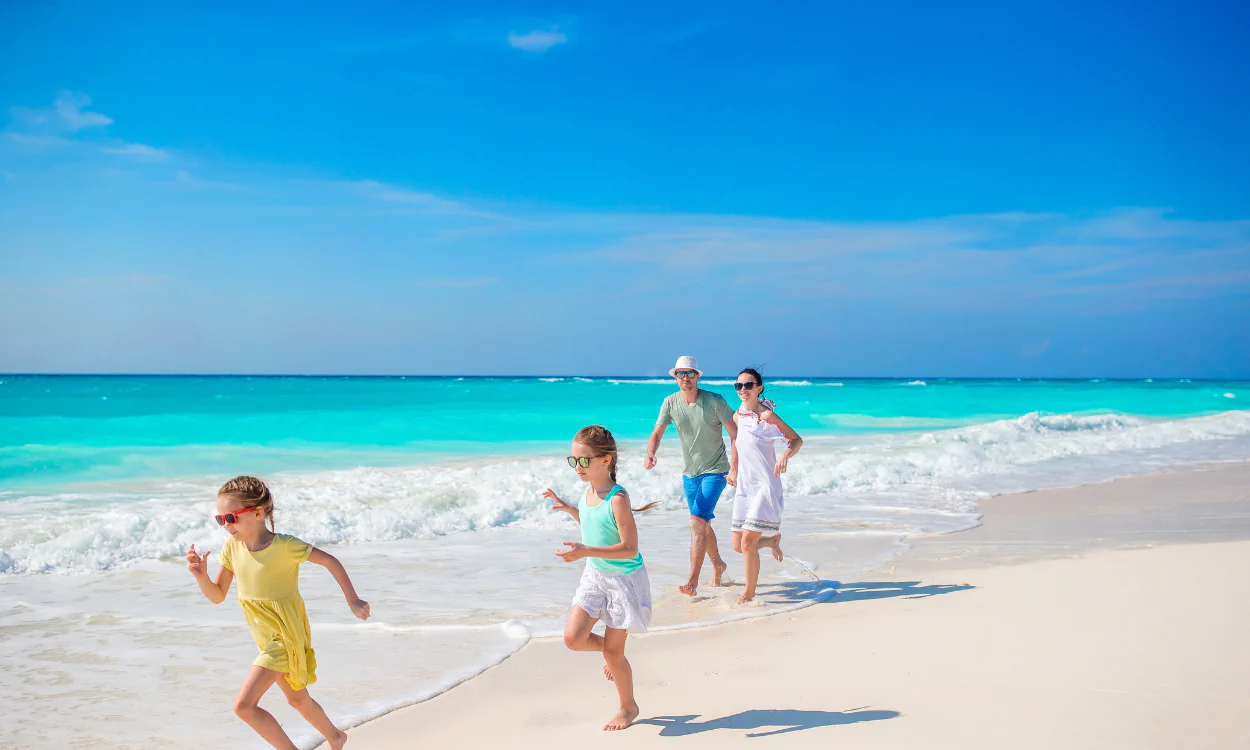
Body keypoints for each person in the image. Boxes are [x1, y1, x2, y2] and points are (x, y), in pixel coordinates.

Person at [186, 476, 370, 750]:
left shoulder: (284, 546)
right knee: (297, 700)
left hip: (284, 636)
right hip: (264, 637)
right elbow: (217, 595)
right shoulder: (232, 549)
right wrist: (201, 577)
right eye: (220, 519)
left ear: (258, 513)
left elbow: (329, 561)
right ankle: (336, 736)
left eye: (231, 518)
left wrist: (352, 599)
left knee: (244, 706)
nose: (226, 525)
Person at [544, 425, 656, 731]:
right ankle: (611, 651)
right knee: (573, 639)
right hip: (595, 575)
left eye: (584, 461)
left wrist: (585, 551)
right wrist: (569, 508)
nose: (578, 467)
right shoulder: (587, 492)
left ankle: (627, 706)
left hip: (623, 580)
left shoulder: (618, 498)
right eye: (574, 461)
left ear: (605, 460)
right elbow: (593, 520)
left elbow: (630, 547)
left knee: (613, 652)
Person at [645, 355, 738, 596]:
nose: (685, 378)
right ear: (675, 377)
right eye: (680, 374)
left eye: (690, 373)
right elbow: (657, 431)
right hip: (690, 474)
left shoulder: (715, 401)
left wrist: (736, 468)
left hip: (716, 470)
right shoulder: (670, 402)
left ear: (698, 376)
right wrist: (651, 453)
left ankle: (692, 581)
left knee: (696, 522)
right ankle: (719, 565)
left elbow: (735, 435)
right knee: (702, 524)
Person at [728, 368, 803, 603]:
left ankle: (749, 593)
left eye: (748, 385)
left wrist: (784, 456)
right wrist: (733, 469)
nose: (743, 390)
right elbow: (736, 442)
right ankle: (771, 541)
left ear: (759, 388)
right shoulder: (737, 416)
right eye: (738, 386)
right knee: (738, 546)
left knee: (748, 542)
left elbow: (796, 439)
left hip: (764, 486)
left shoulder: (766, 417)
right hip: (744, 487)